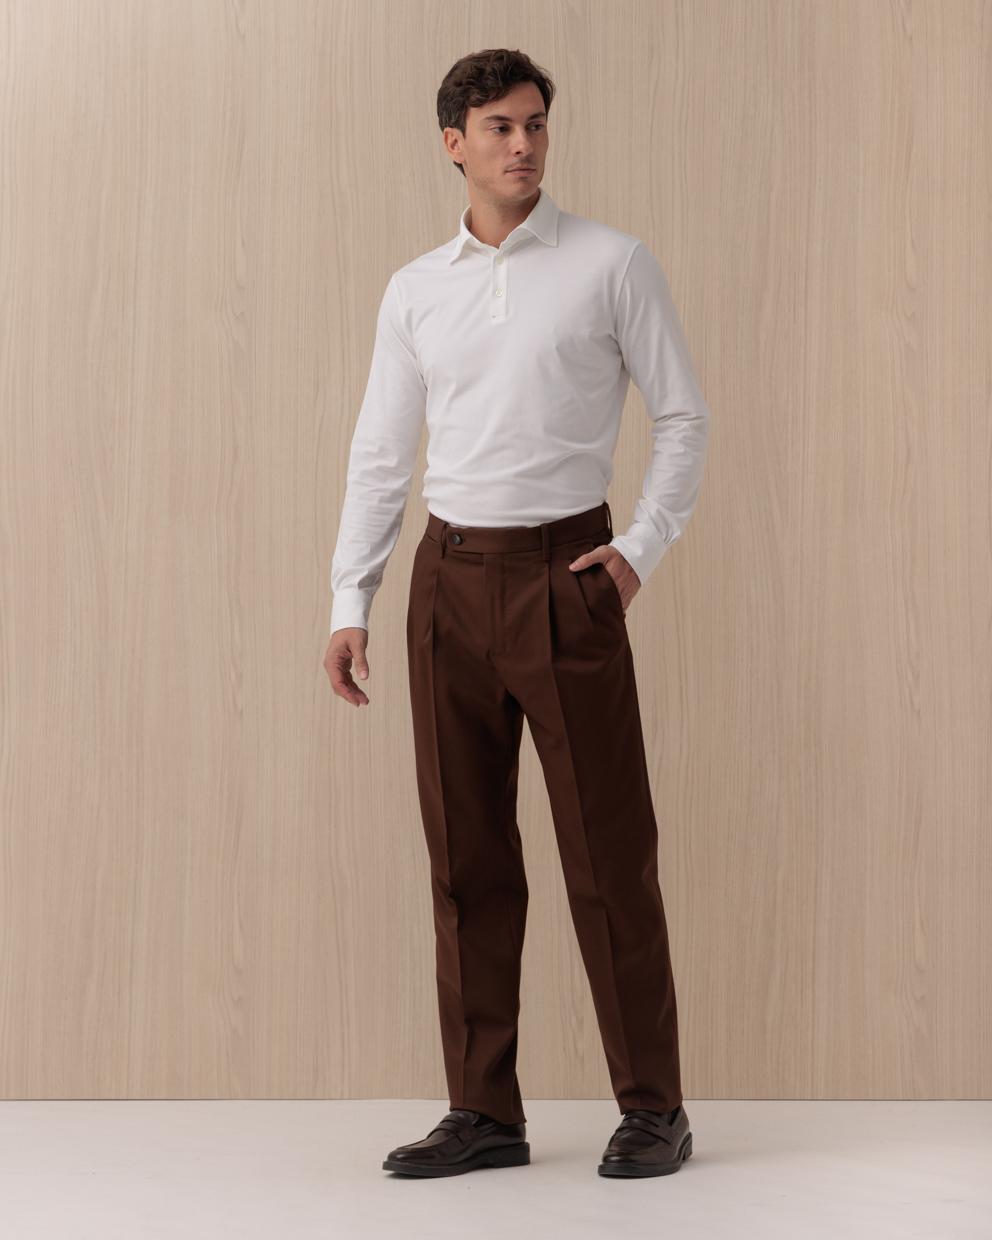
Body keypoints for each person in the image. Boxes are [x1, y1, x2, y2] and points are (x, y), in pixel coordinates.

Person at [324, 48, 709, 1179]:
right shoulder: (415, 289)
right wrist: (350, 598)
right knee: (466, 861)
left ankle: (655, 1108)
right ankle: (484, 1112)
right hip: (446, 584)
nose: (523, 144)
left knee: (608, 855)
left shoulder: (610, 263)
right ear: (453, 143)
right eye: (498, 127)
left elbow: (683, 416)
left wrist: (637, 551)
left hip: (565, 576)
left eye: (535, 123)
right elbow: (381, 453)